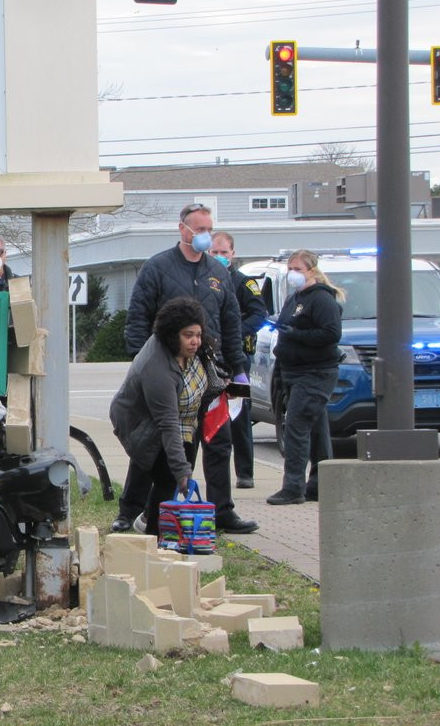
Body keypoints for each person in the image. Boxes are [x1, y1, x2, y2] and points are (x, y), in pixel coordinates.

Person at [122, 203, 258, 534]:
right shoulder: (157, 268)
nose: (204, 235)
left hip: (210, 371)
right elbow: (138, 316)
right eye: (199, 229)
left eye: (209, 229)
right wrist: (143, 363)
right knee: (154, 441)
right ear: (182, 229)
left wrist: (236, 368)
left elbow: (230, 321)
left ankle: (222, 510)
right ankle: (130, 511)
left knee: (217, 440)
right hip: (168, 370)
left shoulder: (218, 272)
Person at [110, 297, 227, 535]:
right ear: (172, 335)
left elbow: (208, 373)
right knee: (166, 474)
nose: (195, 341)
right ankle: (154, 535)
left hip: (186, 418)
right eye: (188, 335)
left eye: (198, 334)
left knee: (172, 471)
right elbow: (168, 424)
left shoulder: (196, 347)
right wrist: (183, 473)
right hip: (142, 421)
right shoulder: (157, 368)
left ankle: (150, 523)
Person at [266, 249, 344, 505]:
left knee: (297, 427)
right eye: (291, 269)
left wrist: (296, 334)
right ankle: (321, 485)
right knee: (317, 430)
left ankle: (293, 488)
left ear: (312, 270)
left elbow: (331, 334)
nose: (293, 274)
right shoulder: (295, 298)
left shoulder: (322, 299)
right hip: (292, 371)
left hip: (315, 372)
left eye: (298, 269)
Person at [210, 231, 268, 488]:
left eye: (224, 252)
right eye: (215, 252)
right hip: (210, 357)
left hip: (237, 361)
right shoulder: (203, 280)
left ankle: (245, 473)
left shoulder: (244, 284)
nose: (220, 257)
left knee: (240, 414)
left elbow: (259, 314)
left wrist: (236, 332)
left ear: (232, 253)